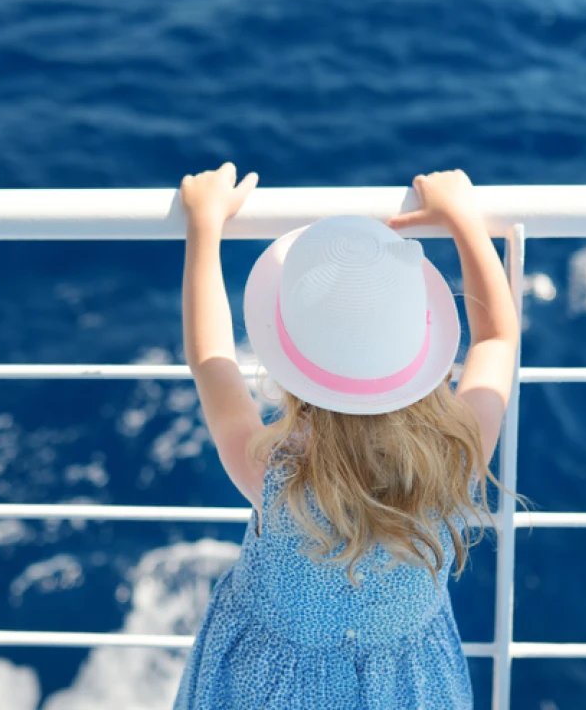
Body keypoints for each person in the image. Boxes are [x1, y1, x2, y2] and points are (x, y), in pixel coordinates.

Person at [173, 163, 520, 709]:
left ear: (296, 383)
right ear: (424, 360)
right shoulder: (459, 456)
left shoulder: (275, 481)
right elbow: (497, 338)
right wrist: (463, 219)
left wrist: (204, 224)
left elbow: (210, 360)